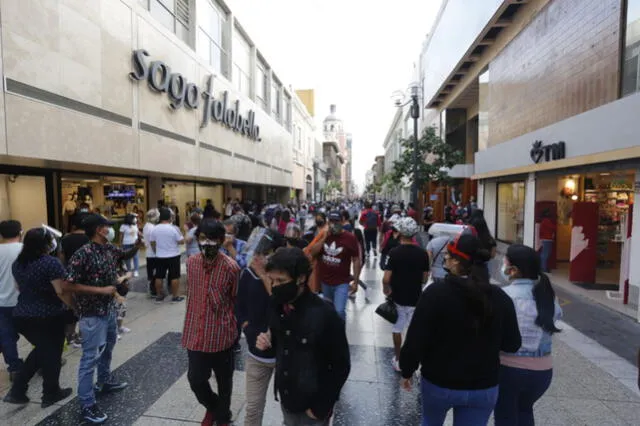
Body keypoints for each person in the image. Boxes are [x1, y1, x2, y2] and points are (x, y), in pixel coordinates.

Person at [399, 233, 521, 426]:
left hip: (439, 382)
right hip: (483, 386)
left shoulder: (435, 293)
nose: (445, 258)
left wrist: (407, 370)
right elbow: (512, 344)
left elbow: (416, 339)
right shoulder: (499, 297)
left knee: (430, 421)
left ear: (456, 262)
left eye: (448, 255)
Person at [256, 248, 351, 426]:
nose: (275, 286)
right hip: (287, 398)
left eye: (281, 280)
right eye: (272, 280)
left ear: (300, 278)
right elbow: (280, 340)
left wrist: (321, 406)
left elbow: (341, 365)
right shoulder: (278, 305)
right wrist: (268, 340)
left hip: (313, 406)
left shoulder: (325, 314)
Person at [66, 214, 141, 424]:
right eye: (107, 226)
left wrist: (139, 244)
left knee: (108, 346)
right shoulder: (83, 254)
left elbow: (124, 254)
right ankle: (87, 404)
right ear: (99, 229)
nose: (110, 229)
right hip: (91, 314)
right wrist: (99, 290)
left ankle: (105, 379)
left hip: (108, 309)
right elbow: (68, 284)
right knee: (89, 358)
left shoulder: (108, 248)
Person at [3, 227, 75, 407]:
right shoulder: (50, 262)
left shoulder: (18, 263)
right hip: (48, 315)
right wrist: (74, 307)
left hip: (22, 314)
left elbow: (19, 288)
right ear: (45, 244)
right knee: (52, 352)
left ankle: (18, 391)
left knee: (43, 350)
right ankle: (50, 393)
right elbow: (60, 291)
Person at [494, 244, 562, 426]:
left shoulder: (504, 295)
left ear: (514, 270)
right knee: (525, 411)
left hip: (509, 370)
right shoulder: (548, 296)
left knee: (505, 416)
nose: (502, 264)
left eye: (504, 261)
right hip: (542, 372)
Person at [183, 220, 240, 426]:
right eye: (203, 238)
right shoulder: (191, 263)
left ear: (222, 241)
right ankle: (215, 408)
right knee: (196, 380)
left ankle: (222, 417)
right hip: (196, 334)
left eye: (213, 239)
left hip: (221, 335)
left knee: (225, 382)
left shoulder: (231, 268)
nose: (207, 243)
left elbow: (235, 299)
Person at [237, 230, 284, 426]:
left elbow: (280, 302)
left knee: (291, 411)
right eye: (262, 252)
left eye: (269, 253)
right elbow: (240, 307)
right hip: (257, 356)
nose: (262, 257)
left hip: (285, 356)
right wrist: (248, 329)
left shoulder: (283, 276)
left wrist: (264, 275)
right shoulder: (248, 275)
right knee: (253, 408)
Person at [382, 218, 429, 372]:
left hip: (398, 296)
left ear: (401, 232)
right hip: (415, 296)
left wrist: (386, 288)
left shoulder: (394, 252)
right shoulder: (422, 253)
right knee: (413, 329)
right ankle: (413, 358)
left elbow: (386, 278)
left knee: (398, 327)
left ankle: (398, 358)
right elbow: (425, 278)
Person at [308, 211, 361, 321]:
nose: (333, 224)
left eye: (336, 221)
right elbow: (312, 252)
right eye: (331, 221)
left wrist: (355, 281)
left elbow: (356, 260)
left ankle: (340, 334)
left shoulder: (350, 238)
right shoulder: (324, 234)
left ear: (342, 222)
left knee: (339, 311)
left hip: (341, 282)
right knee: (328, 310)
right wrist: (323, 238)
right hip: (325, 282)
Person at [0, 220, 24, 383]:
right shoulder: (26, 250)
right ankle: (43, 362)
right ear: (20, 232)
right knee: (38, 333)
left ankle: (14, 368)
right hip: (25, 300)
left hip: (2, 302)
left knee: (6, 335)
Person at [150, 207, 185, 304]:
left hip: (160, 256)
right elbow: (181, 241)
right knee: (174, 276)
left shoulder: (155, 229)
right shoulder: (174, 229)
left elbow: (152, 243)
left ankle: (159, 296)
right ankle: (175, 296)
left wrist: (156, 251)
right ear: (170, 217)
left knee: (159, 276)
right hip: (173, 256)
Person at [143, 209, 160, 298]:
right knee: (154, 274)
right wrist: (157, 253)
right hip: (153, 254)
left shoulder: (147, 226)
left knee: (151, 273)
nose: (158, 218)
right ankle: (153, 291)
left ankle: (151, 290)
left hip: (149, 253)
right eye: (157, 216)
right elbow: (153, 242)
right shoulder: (152, 228)